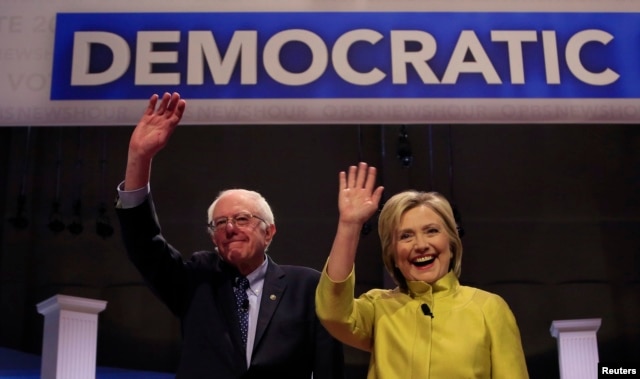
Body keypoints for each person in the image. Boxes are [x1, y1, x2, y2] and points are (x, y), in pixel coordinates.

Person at [114, 92, 345, 378]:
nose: (230, 228)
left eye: (242, 219)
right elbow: (143, 244)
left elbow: (329, 368)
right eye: (220, 223)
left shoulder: (306, 287)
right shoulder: (197, 280)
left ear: (269, 231)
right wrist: (140, 157)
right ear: (213, 238)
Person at [315, 162, 529, 378]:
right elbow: (332, 312)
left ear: (452, 244)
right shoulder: (379, 308)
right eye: (406, 236)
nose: (420, 245)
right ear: (393, 255)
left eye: (431, 231)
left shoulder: (489, 309)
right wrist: (349, 224)